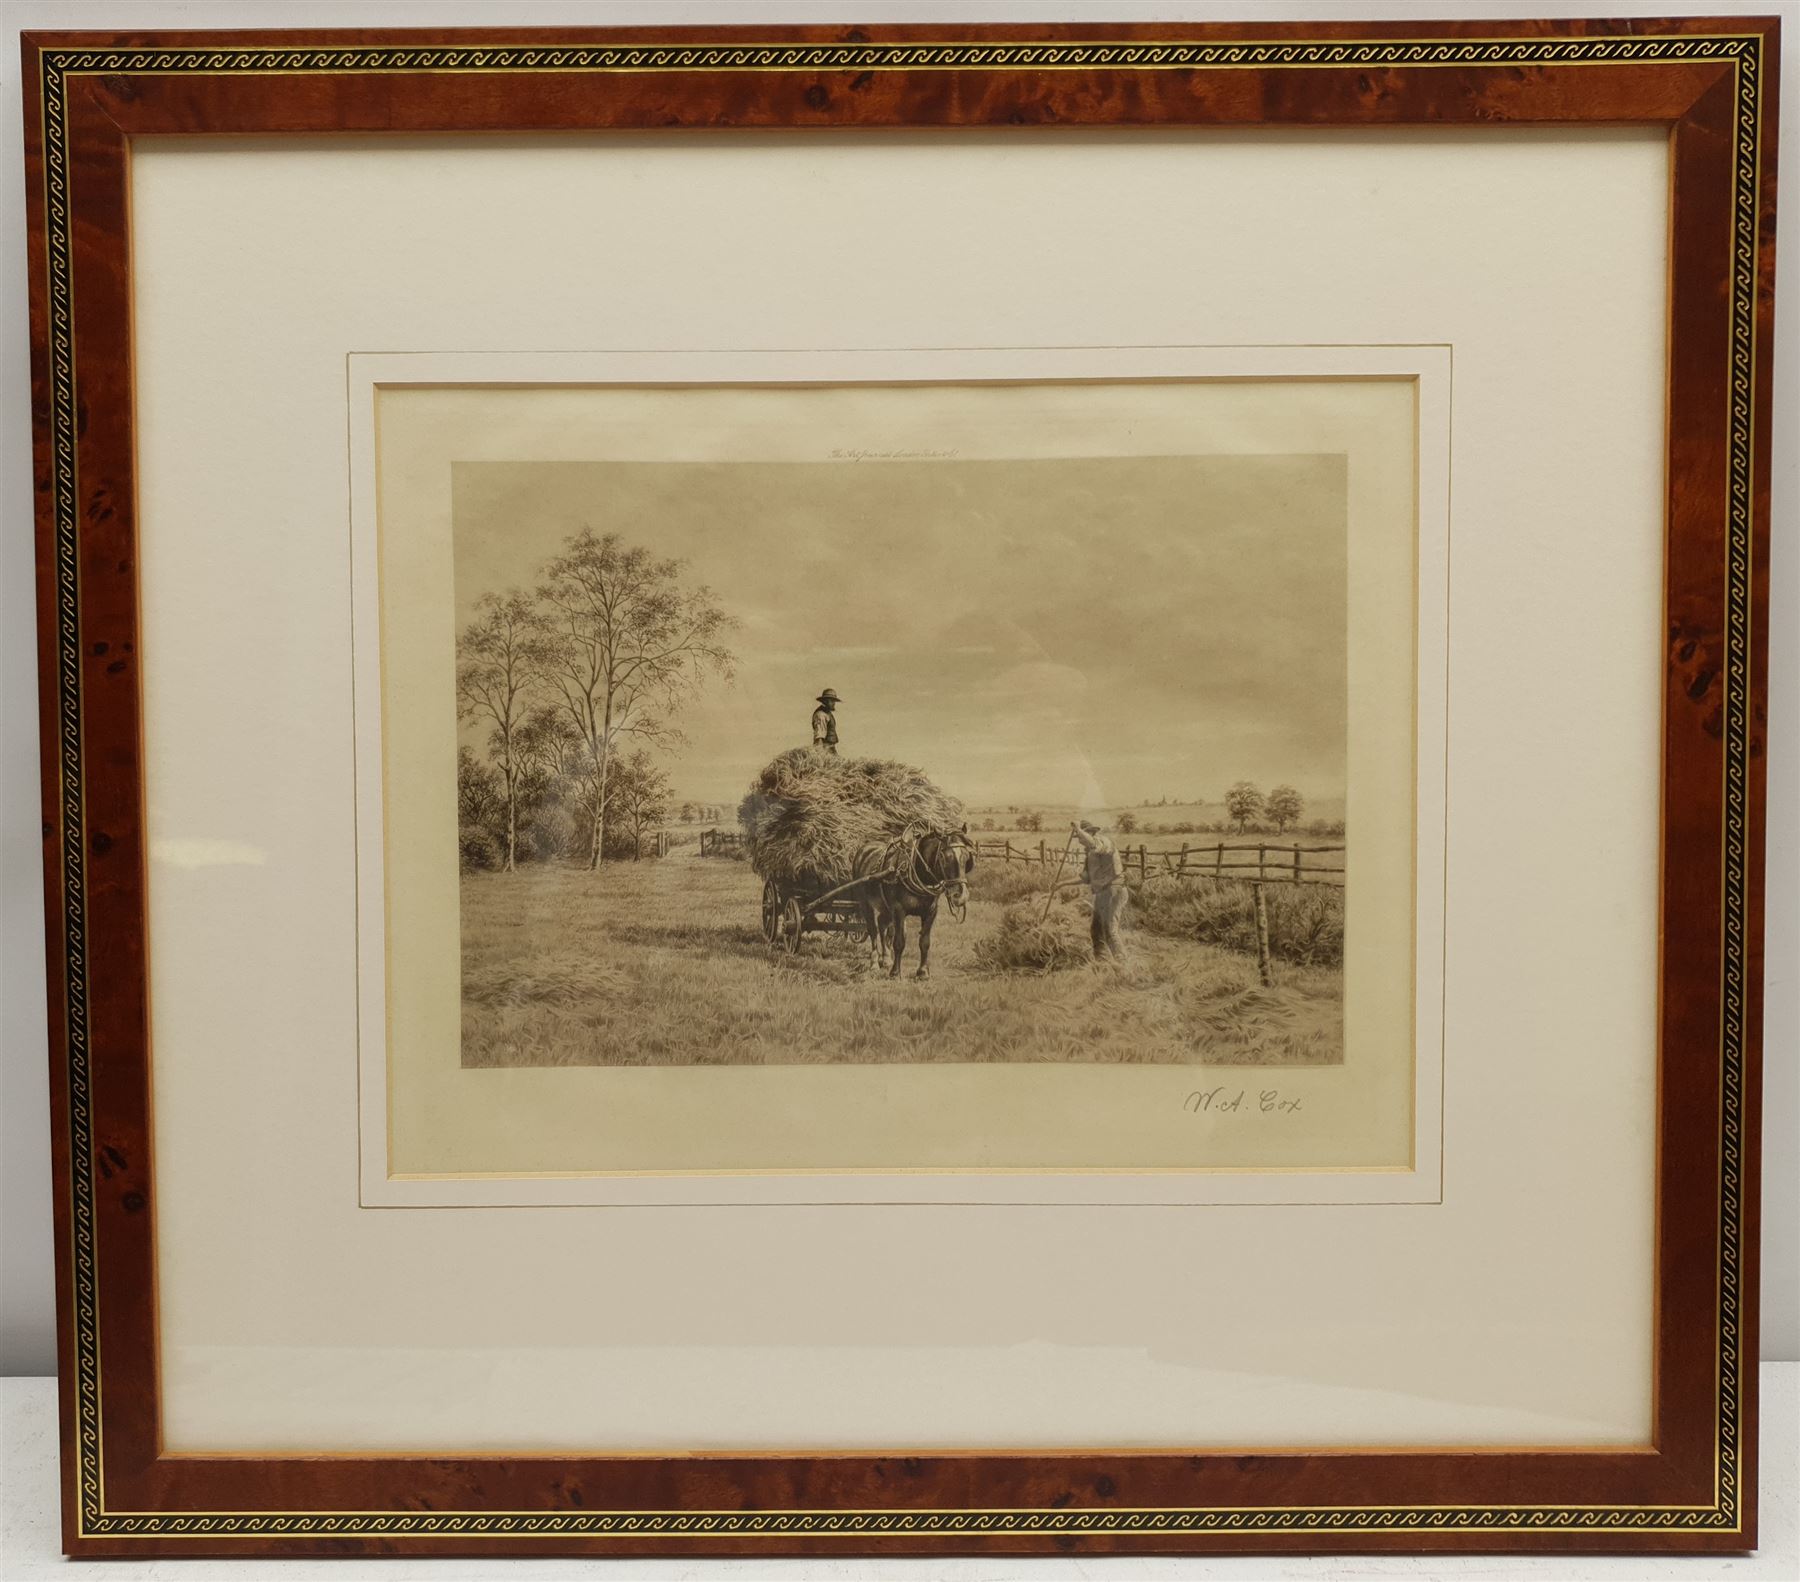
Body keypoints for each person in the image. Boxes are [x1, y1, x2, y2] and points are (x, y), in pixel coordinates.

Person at [1070, 818, 1127, 962]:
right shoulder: (1089, 855)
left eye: (1081, 836)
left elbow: (1093, 843)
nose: (1080, 840)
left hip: (1114, 889)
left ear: (1091, 833)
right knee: (1096, 930)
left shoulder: (1103, 842)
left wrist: (1078, 829)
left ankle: (1123, 964)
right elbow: (1085, 878)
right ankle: (1102, 963)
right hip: (1102, 893)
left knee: (1109, 929)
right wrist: (1060, 884)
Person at [811, 688, 842, 754]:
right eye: (832, 701)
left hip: (830, 749)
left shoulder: (827, 714)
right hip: (825, 749)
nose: (834, 703)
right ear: (825, 701)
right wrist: (821, 755)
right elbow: (819, 737)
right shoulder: (821, 714)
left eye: (834, 701)